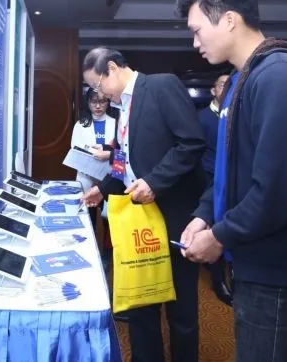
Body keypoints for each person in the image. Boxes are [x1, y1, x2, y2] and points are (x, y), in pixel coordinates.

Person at [176, 0, 287, 362]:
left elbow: (283, 191)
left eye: (197, 30)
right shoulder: (242, 80)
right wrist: (205, 214)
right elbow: (229, 168)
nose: (195, 42)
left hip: (281, 266)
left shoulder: (280, 77)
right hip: (256, 257)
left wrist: (220, 236)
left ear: (229, 19)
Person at [81, 47, 206, 362]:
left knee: (180, 308)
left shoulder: (161, 86)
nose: (99, 94)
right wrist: (103, 189)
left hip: (173, 216)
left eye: (98, 85)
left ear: (112, 68)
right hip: (138, 220)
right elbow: (125, 160)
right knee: (140, 304)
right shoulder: (122, 106)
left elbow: (191, 143)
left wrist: (155, 182)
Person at [197, 74, 234, 307]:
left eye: (231, 85)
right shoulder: (202, 118)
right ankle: (219, 281)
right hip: (208, 179)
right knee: (213, 227)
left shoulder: (235, 113)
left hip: (231, 179)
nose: (227, 89)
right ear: (213, 90)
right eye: (222, 85)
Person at [70, 88, 115, 227]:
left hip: (109, 177)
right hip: (86, 176)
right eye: (94, 102)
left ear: (108, 102)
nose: (98, 106)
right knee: (87, 217)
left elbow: (119, 150)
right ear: (88, 102)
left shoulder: (115, 123)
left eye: (102, 101)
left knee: (110, 218)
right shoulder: (80, 125)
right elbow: (75, 150)